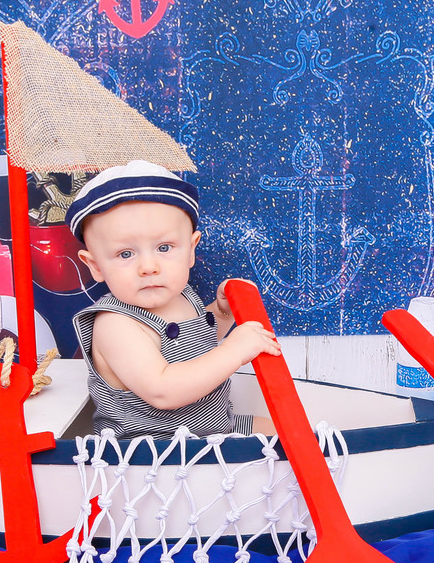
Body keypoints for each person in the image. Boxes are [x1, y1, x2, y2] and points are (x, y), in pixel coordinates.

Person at [67, 161, 279, 438]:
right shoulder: (115, 325)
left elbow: (195, 345)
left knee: (285, 432)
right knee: (278, 447)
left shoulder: (182, 296)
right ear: (95, 266)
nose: (148, 267)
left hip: (213, 428)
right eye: (126, 254)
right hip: (156, 447)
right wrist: (234, 351)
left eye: (164, 248)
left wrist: (222, 312)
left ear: (190, 250)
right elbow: (163, 391)